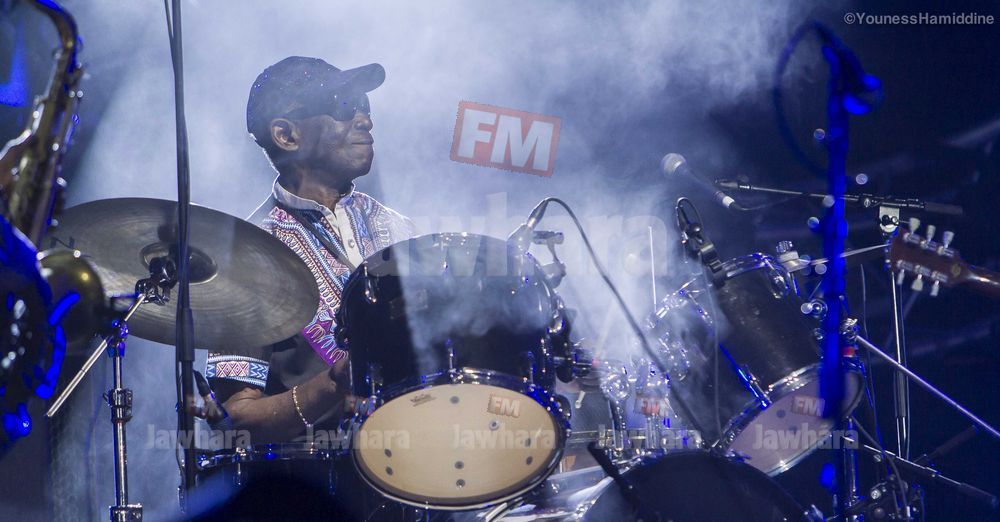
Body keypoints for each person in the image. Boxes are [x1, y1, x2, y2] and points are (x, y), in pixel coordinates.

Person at [202, 56, 414, 443]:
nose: (365, 120)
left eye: (364, 106)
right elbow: (236, 418)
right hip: (324, 470)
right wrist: (334, 384)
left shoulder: (399, 229)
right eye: (344, 106)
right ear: (286, 135)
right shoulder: (250, 255)